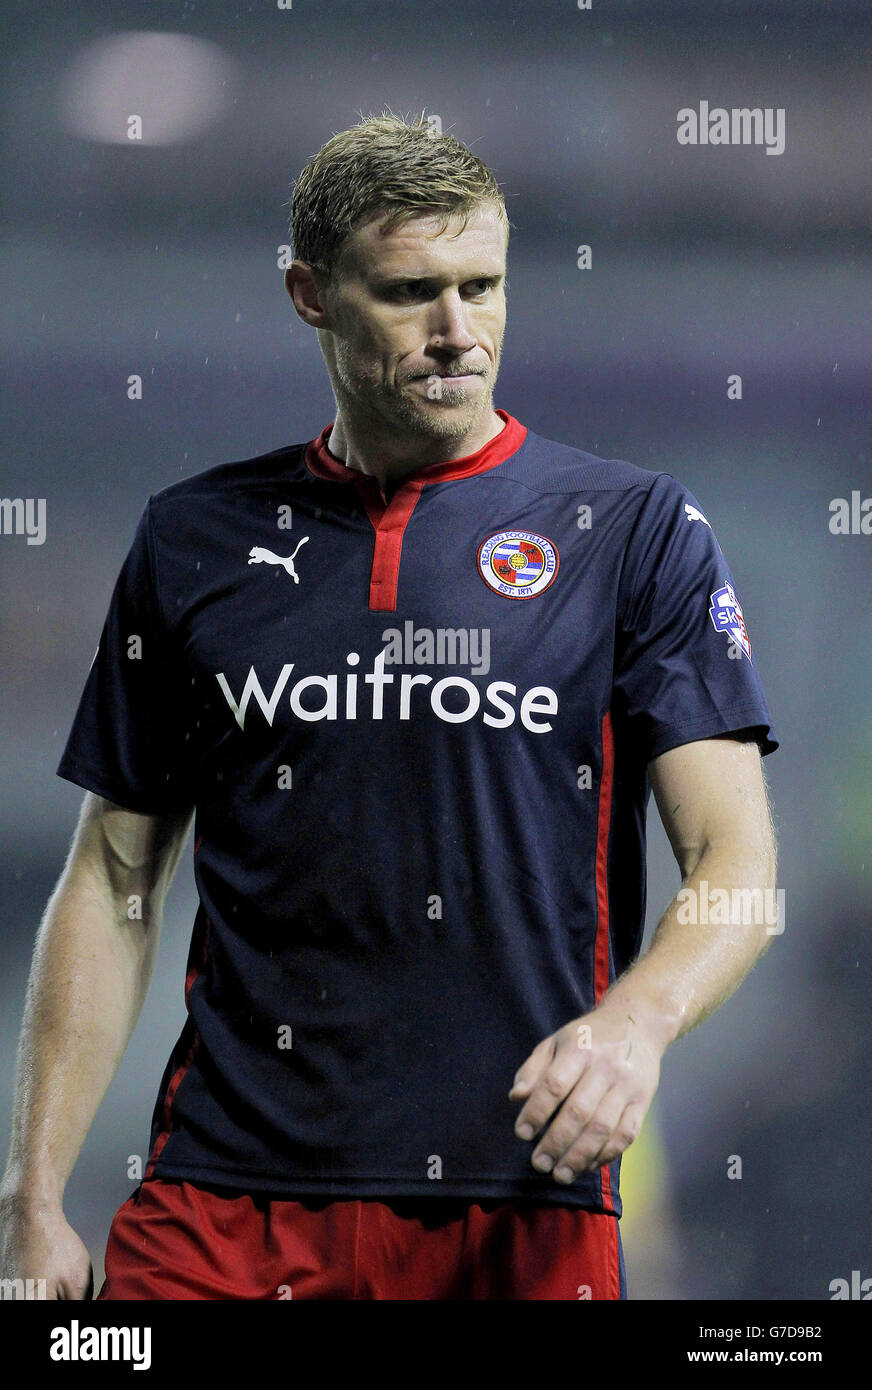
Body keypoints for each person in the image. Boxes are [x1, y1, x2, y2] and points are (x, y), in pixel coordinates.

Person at [0, 111, 779, 1301]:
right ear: (311, 294)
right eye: (412, 291)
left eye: (483, 286)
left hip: (515, 1200)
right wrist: (33, 1197)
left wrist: (637, 1024)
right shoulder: (194, 537)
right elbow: (113, 881)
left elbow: (732, 859)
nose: (457, 332)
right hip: (220, 1202)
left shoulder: (631, 533)